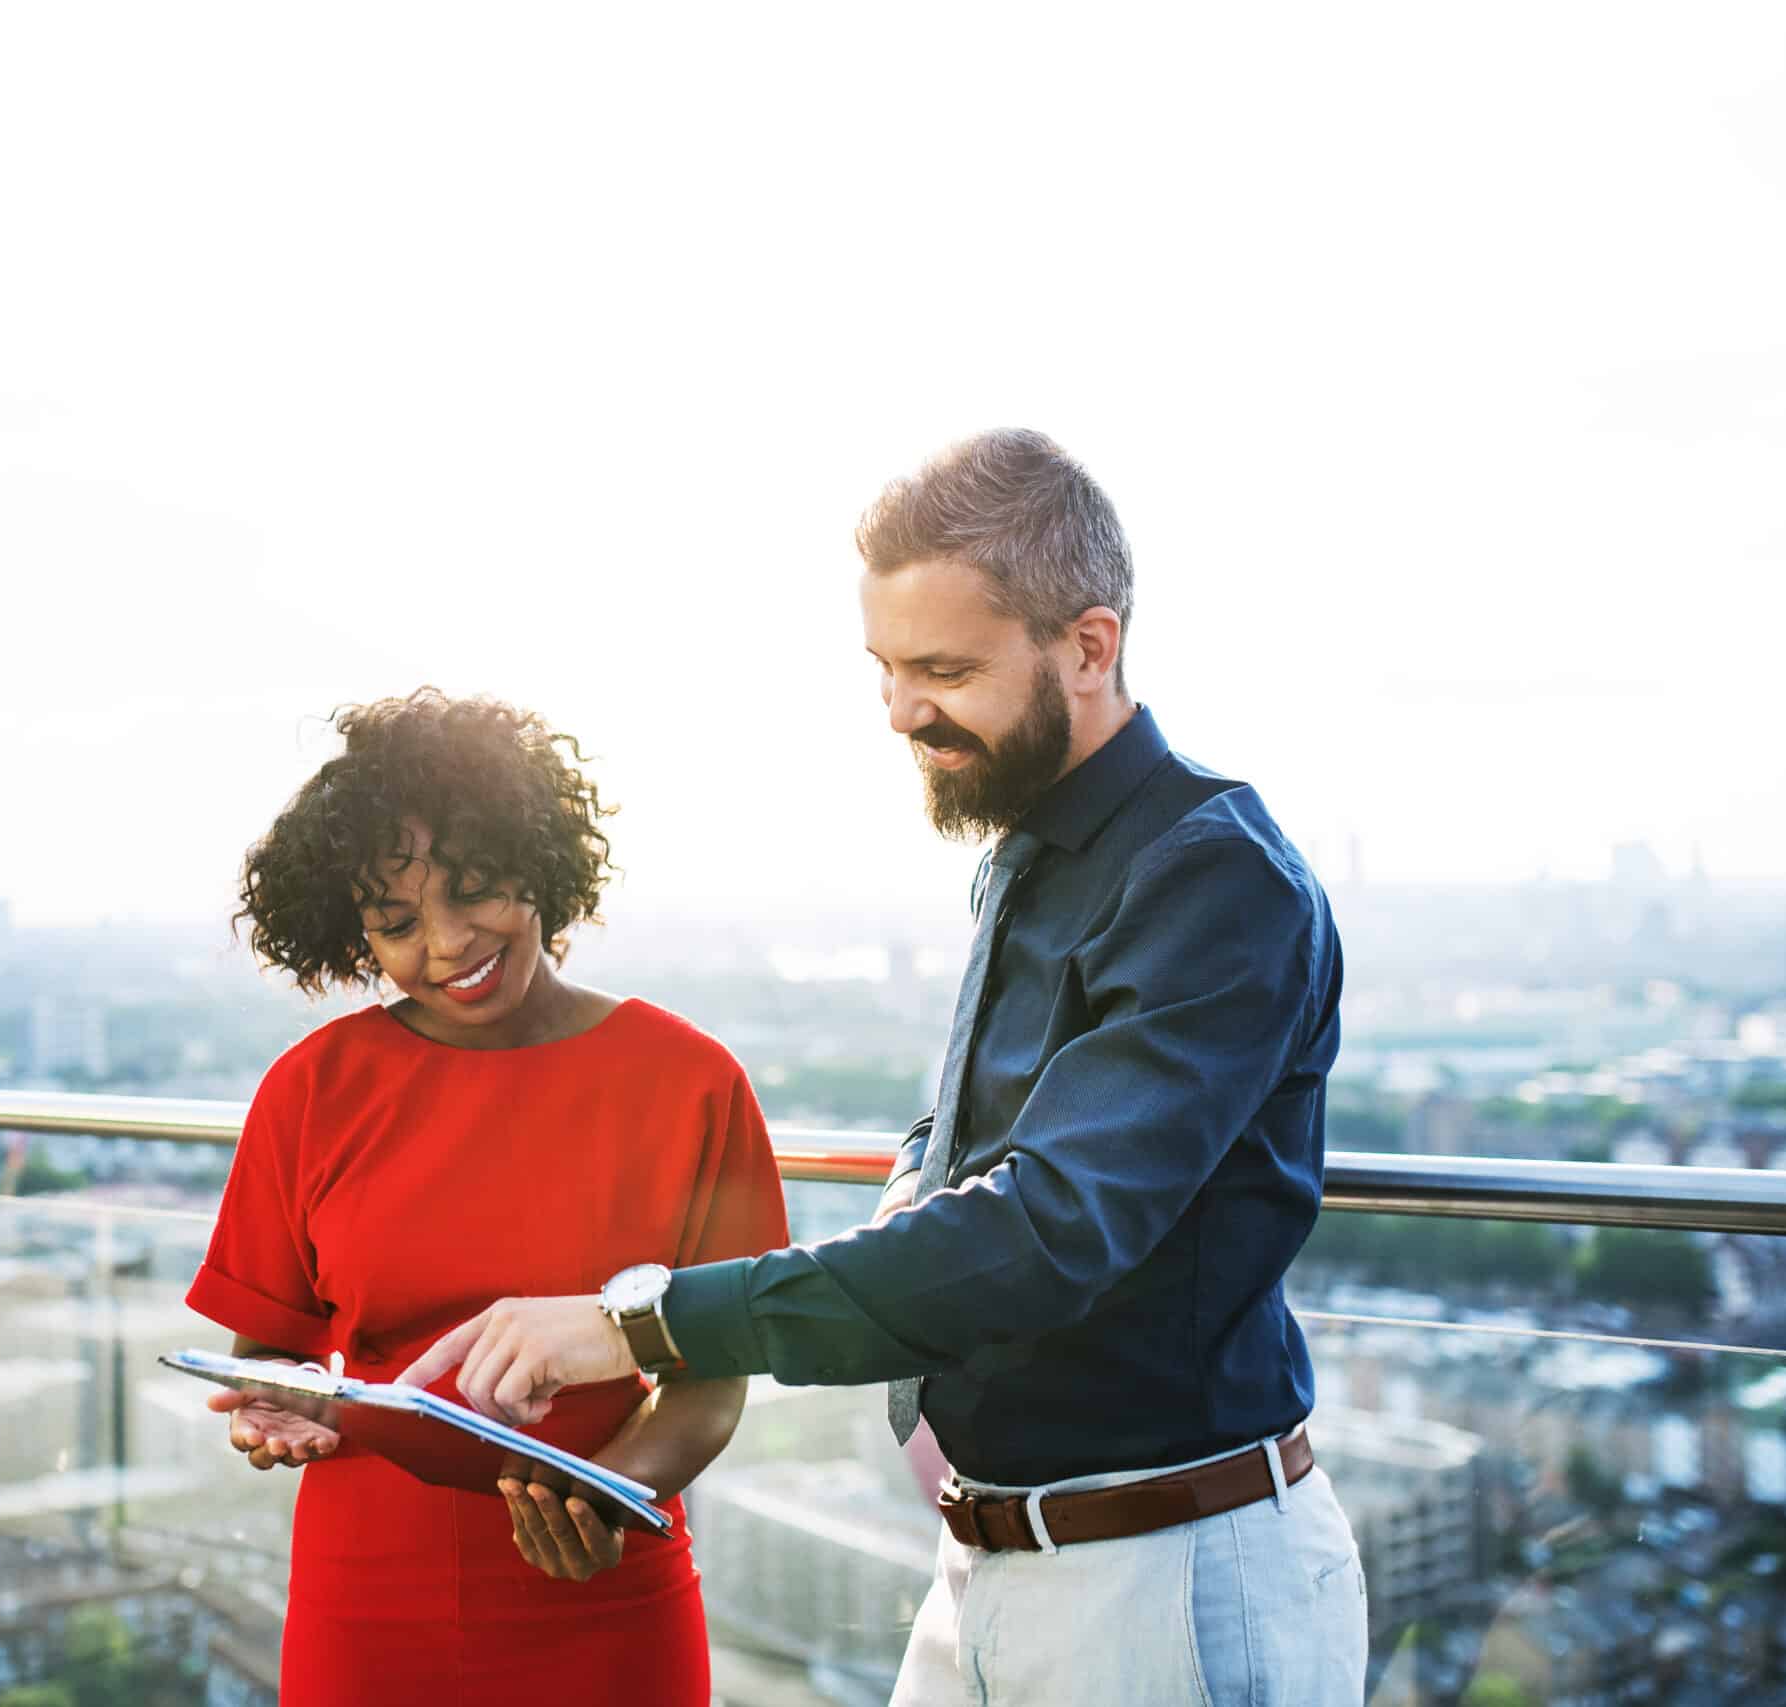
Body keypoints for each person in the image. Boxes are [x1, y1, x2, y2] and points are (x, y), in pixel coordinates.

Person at [404, 431, 1368, 1706]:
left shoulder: (1211, 875)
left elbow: (1051, 1226)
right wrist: (913, 1197)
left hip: (1166, 1586)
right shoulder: (1041, 855)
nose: (902, 710)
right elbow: (980, 1141)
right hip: (996, 1561)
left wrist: (633, 1321)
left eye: (944, 669)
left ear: (1088, 646)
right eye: (885, 667)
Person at [183, 688, 788, 1707]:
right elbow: (271, 1356)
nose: (448, 943)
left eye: (474, 891)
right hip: (365, 1601)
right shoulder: (312, 1088)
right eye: (397, 922)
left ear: (535, 857)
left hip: (603, 1586)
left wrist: (613, 1491)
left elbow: (712, 1380)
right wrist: (276, 1411)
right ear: (351, 934)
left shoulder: (689, 1081)